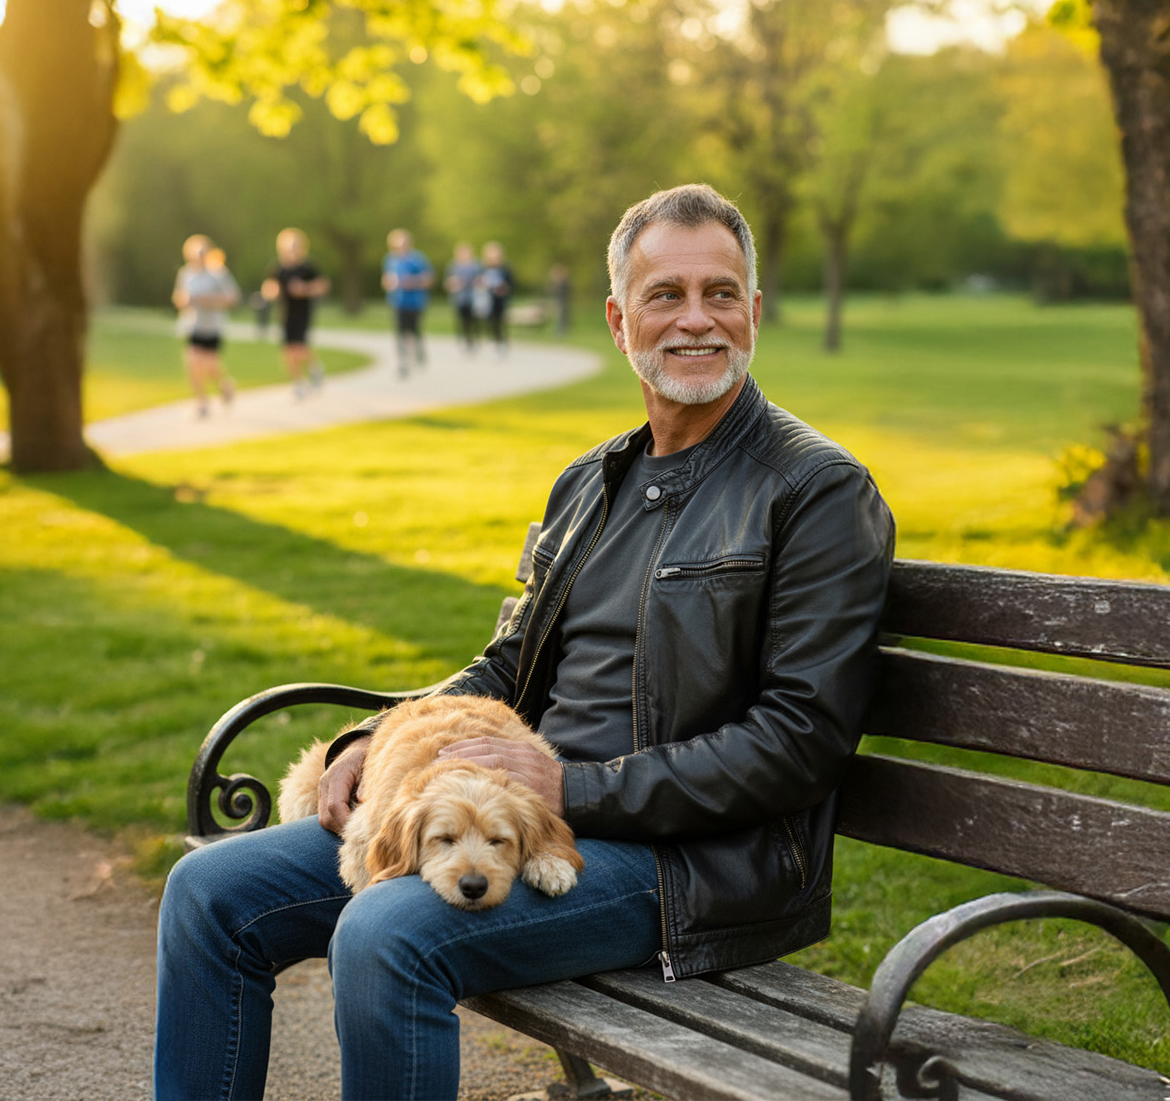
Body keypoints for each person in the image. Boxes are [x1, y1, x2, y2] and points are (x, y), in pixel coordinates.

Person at [154, 183, 897, 1101]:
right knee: (209, 896)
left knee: (386, 933)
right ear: (622, 322)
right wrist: (375, 739)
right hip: (504, 816)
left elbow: (801, 741)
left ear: (753, 310)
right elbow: (507, 668)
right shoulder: (590, 482)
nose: (697, 320)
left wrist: (574, 787)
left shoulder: (815, 490)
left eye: (722, 293)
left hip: (688, 866)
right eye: (666, 295)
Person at [172, 235, 241, 419]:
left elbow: (233, 297)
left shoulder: (218, 273)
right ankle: (202, 401)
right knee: (193, 361)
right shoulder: (186, 273)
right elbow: (179, 296)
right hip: (194, 325)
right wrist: (184, 301)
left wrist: (207, 300)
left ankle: (225, 385)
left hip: (213, 326)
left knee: (210, 365)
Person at [261, 228, 330, 399]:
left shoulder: (307, 267)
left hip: (303, 312)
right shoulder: (278, 268)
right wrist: (272, 291)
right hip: (285, 313)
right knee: (287, 350)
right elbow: (268, 287)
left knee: (299, 346)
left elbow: (323, 285)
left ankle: (314, 366)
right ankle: (298, 382)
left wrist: (304, 289)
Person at [381, 229, 433, 377]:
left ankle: (418, 353)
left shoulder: (417, 258)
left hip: (415, 301)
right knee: (400, 332)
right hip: (397, 301)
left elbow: (429, 278)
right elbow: (386, 279)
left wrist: (413, 281)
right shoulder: (390, 259)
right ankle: (403, 362)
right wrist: (388, 283)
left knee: (415, 330)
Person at [474, 240, 516, 355]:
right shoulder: (483, 268)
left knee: (502, 320)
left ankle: (503, 342)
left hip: (502, 299)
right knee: (491, 320)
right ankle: (494, 341)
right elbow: (478, 282)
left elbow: (511, 283)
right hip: (487, 299)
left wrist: (504, 289)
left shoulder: (505, 268)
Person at [444, 241, 484, 354]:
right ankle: (466, 340)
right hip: (459, 298)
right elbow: (447, 282)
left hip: (474, 297)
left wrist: (478, 282)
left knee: (474, 319)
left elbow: (482, 280)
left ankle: (475, 339)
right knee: (462, 320)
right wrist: (453, 283)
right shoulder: (453, 266)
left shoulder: (476, 265)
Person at [548, 261, 572, 337]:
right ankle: (559, 331)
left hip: (563, 301)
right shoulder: (559, 283)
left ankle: (562, 331)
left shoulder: (564, 282)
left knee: (562, 317)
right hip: (559, 301)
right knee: (559, 317)